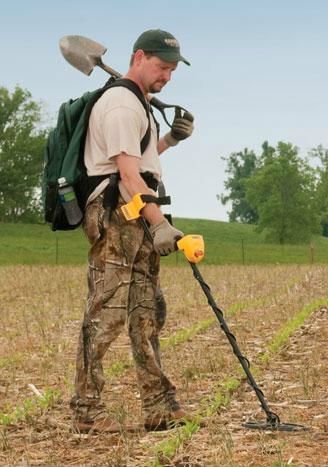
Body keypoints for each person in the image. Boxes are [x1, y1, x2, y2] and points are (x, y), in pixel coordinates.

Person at [70, 29, 195, 433]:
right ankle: (87, 411)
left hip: (135, 213)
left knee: (147, 311)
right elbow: (125, 175)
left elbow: (139, 161)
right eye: (162, 67)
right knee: (107, 312)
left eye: (173, 70)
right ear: (139, 57)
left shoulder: (135, 103)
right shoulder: (122, 104)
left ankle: (158, 406)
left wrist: (170, 141)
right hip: (117, 216)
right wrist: (160, 224)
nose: (167, 77)